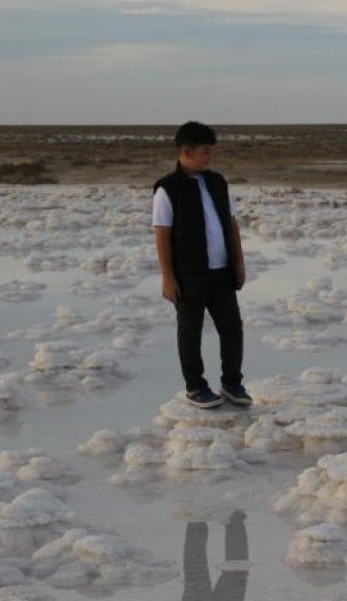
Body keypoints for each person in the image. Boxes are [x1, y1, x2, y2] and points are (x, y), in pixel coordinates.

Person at [153, 121, 252, 409]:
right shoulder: (167, 189)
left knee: (232, 328)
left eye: (212, 152)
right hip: (188, 275)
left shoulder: (217, 182)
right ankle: (196, 387)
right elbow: (162, 233)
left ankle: (232, 383)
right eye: (206, 152)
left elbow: (231, 224)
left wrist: (239, 261)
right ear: (187, 151)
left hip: (221, 273)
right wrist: (167, 277)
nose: (210, 158)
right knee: (190, 331)